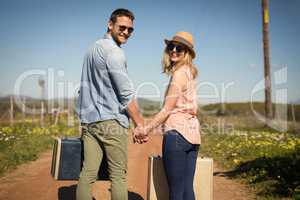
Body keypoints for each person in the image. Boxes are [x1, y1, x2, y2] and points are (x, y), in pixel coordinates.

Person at [76, 8, 147, 200]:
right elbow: (125, 94)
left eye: (130, 29)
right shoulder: (115, 53)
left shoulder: (91, 49)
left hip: (90, 123)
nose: (126, 32)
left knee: (88, 173)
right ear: (110, 24)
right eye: (122, 27)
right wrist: (139, 123)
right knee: (118, 176)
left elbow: (83, 88)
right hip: (111, 123)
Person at [134, 31, 201, 200]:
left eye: (180, 48)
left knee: (176, 192)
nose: (174, 50)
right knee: (187, 189)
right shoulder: (189, 73)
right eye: (172, 46)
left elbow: (167, 110)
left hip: (177, 135)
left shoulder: (178, 75)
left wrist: (145, 129)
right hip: (193, 136)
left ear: (187, 53)